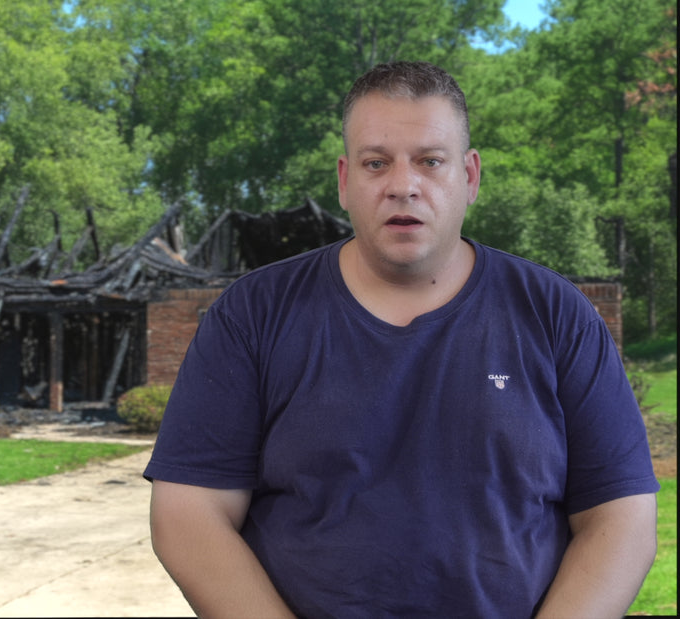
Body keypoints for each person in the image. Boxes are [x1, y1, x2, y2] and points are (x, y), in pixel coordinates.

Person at [144, 61, 659, 618]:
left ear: (471, 176)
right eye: (376, 163)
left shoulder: (556, 316)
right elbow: (188, 514)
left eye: (430, 162)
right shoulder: (253, 316)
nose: (403, 185)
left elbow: (622, 517)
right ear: (345, 180)